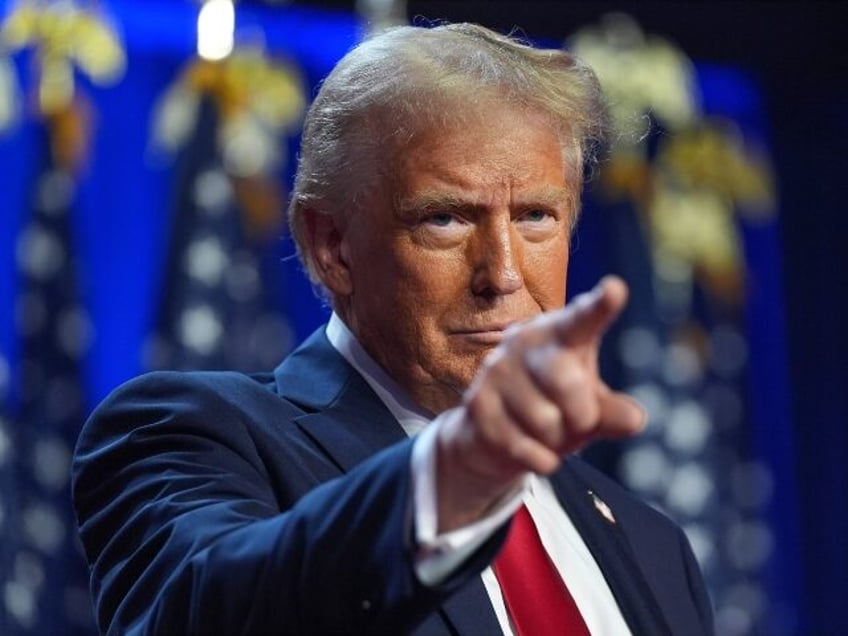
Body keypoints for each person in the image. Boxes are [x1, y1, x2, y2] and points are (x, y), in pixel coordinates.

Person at [72, 23, 713, 635]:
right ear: (332, 247)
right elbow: (207, 612)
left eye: (536, 216)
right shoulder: (186, 434)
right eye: (445, 219)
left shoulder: (654, 546)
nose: (504, 274)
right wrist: (456, 476)